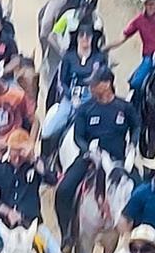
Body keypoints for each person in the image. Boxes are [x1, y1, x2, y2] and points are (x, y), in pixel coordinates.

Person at [51, 69, 139, 240]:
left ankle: (137, 233)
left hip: (118, 161)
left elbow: (136, 126)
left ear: (107, 84)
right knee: (63, 190)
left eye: (94, 84)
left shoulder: (124, 107)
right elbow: (78, 136)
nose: (90, 88)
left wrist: (133, 144)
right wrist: (88, 151)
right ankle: (67, 233)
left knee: (140, 188)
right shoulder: (85, 109)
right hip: (90, 159)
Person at [41, 23, 109, 161]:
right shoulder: (68, 57)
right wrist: (71, 96)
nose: (85, 38)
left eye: (88, 35)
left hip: (92, 100)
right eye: (81, 35)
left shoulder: (99, 58)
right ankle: (45, 160)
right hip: (71, 99)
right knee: (48, 131)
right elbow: (61, 82)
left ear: (93, 38)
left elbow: (104, 80)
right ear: (76, 38)